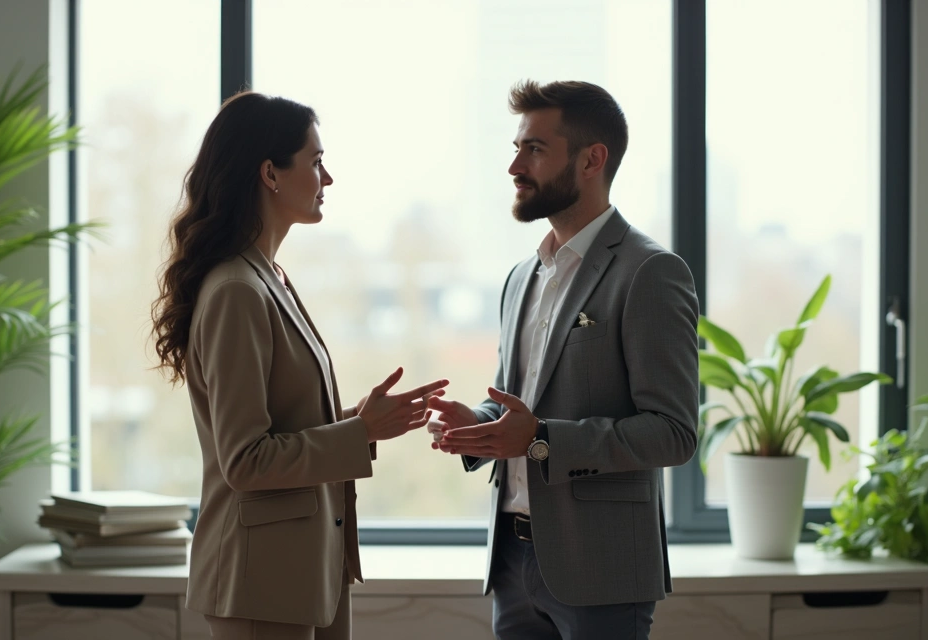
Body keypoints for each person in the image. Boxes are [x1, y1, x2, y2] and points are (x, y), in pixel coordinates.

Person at [151, 91, 448, 640]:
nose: (327, 178)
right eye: (315, 162)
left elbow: (279, 421)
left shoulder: (269, 277)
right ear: (270, 173)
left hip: (303, 571)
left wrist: (361, 419)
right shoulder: (237, 290)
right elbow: (246, 460)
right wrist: (358, 432)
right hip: (260, 579)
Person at [428, 80, 699, 640]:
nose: (514, 166)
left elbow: (673, 433)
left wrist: (539, 438)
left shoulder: (651, 272)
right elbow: (515, 401)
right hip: (510, 561)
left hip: (601, 568)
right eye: (516, 147)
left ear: (591, 160)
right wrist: (476, 426)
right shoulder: (519, 277)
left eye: (534, 149)